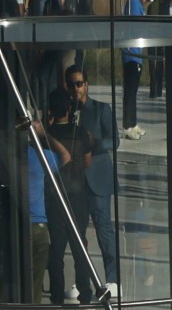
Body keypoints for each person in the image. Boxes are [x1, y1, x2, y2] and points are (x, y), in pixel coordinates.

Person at [45, 64, 119, 296]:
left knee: (103, 228)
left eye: (79, 83)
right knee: (77, 234)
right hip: (73, 183)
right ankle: (81, 283)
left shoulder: (101, 109)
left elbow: (114, 141)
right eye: (71, 84)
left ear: (86, 84)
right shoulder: (65, 111)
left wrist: (92, 142)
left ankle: (113, 279)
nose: (76, 88)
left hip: (96, 177)